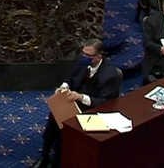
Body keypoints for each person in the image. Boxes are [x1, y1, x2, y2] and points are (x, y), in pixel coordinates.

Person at [35, 39, 121, 168]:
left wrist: (81, 97)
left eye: (89, 56)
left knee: (64, 131)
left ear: (99, 56)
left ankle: (59, 161)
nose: (85, 57)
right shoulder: (82, 62)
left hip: (92, 110)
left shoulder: (110, 74)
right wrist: (63, 87)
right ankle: (45, 156)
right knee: (53, 122)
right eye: (83, 54)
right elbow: (70, 78)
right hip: (72, 102)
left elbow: (106, 102)